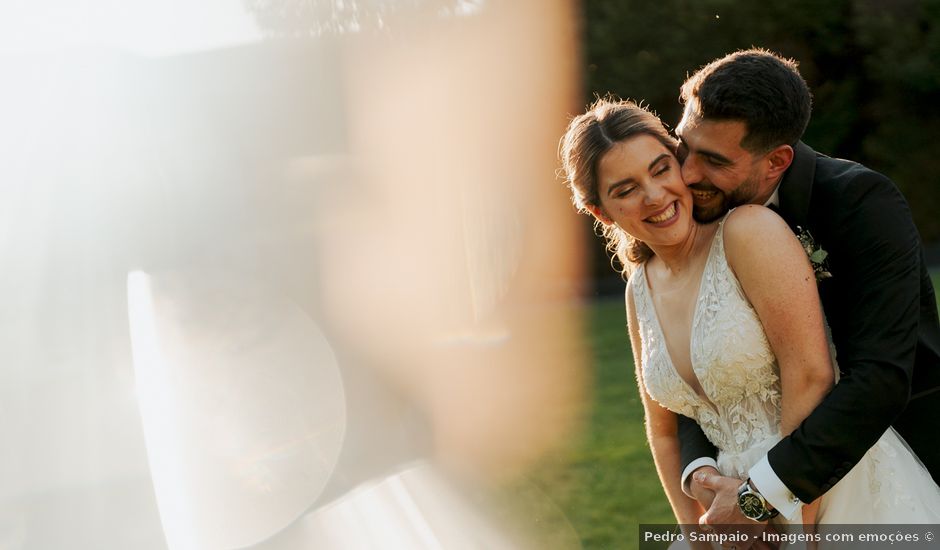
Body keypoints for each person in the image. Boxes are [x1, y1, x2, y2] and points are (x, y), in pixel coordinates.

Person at [558, 97, 940, 544]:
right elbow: (664, 429)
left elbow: (811, 372)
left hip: (822, 484)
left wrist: (797, 524)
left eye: (661, 169)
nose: (655, 195)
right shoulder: (637, 290)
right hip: (728, 512)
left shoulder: (748, 231)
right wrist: (701, 531)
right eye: (625, 190)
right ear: (602, 212)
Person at [673, 49, 940, 533]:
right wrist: (702, 473)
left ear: (776, 161)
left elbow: (880, 376)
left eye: (713, 160)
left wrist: (763, 496)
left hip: (877, 460)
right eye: (683, 147)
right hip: (743, 478)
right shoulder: (697, 216)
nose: (688, 175)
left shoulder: (861, 204)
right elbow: (693, 363)